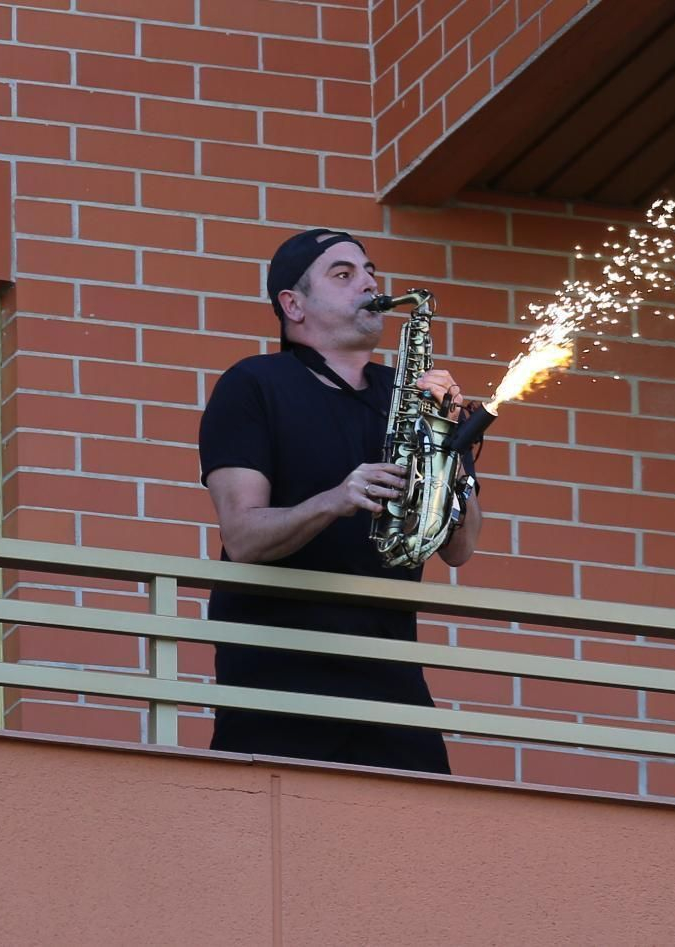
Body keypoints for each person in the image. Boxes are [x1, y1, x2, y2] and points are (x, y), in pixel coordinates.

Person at [197, 228, 484, 774]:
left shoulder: (414, 392)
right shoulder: (254, 384)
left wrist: (450, 447)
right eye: (343, 274)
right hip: (278, 674)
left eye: (370, 271)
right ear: (293, 304)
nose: (369, 283)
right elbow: (242, 535)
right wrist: (336, 498)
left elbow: (461, 549)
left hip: (388, 668)